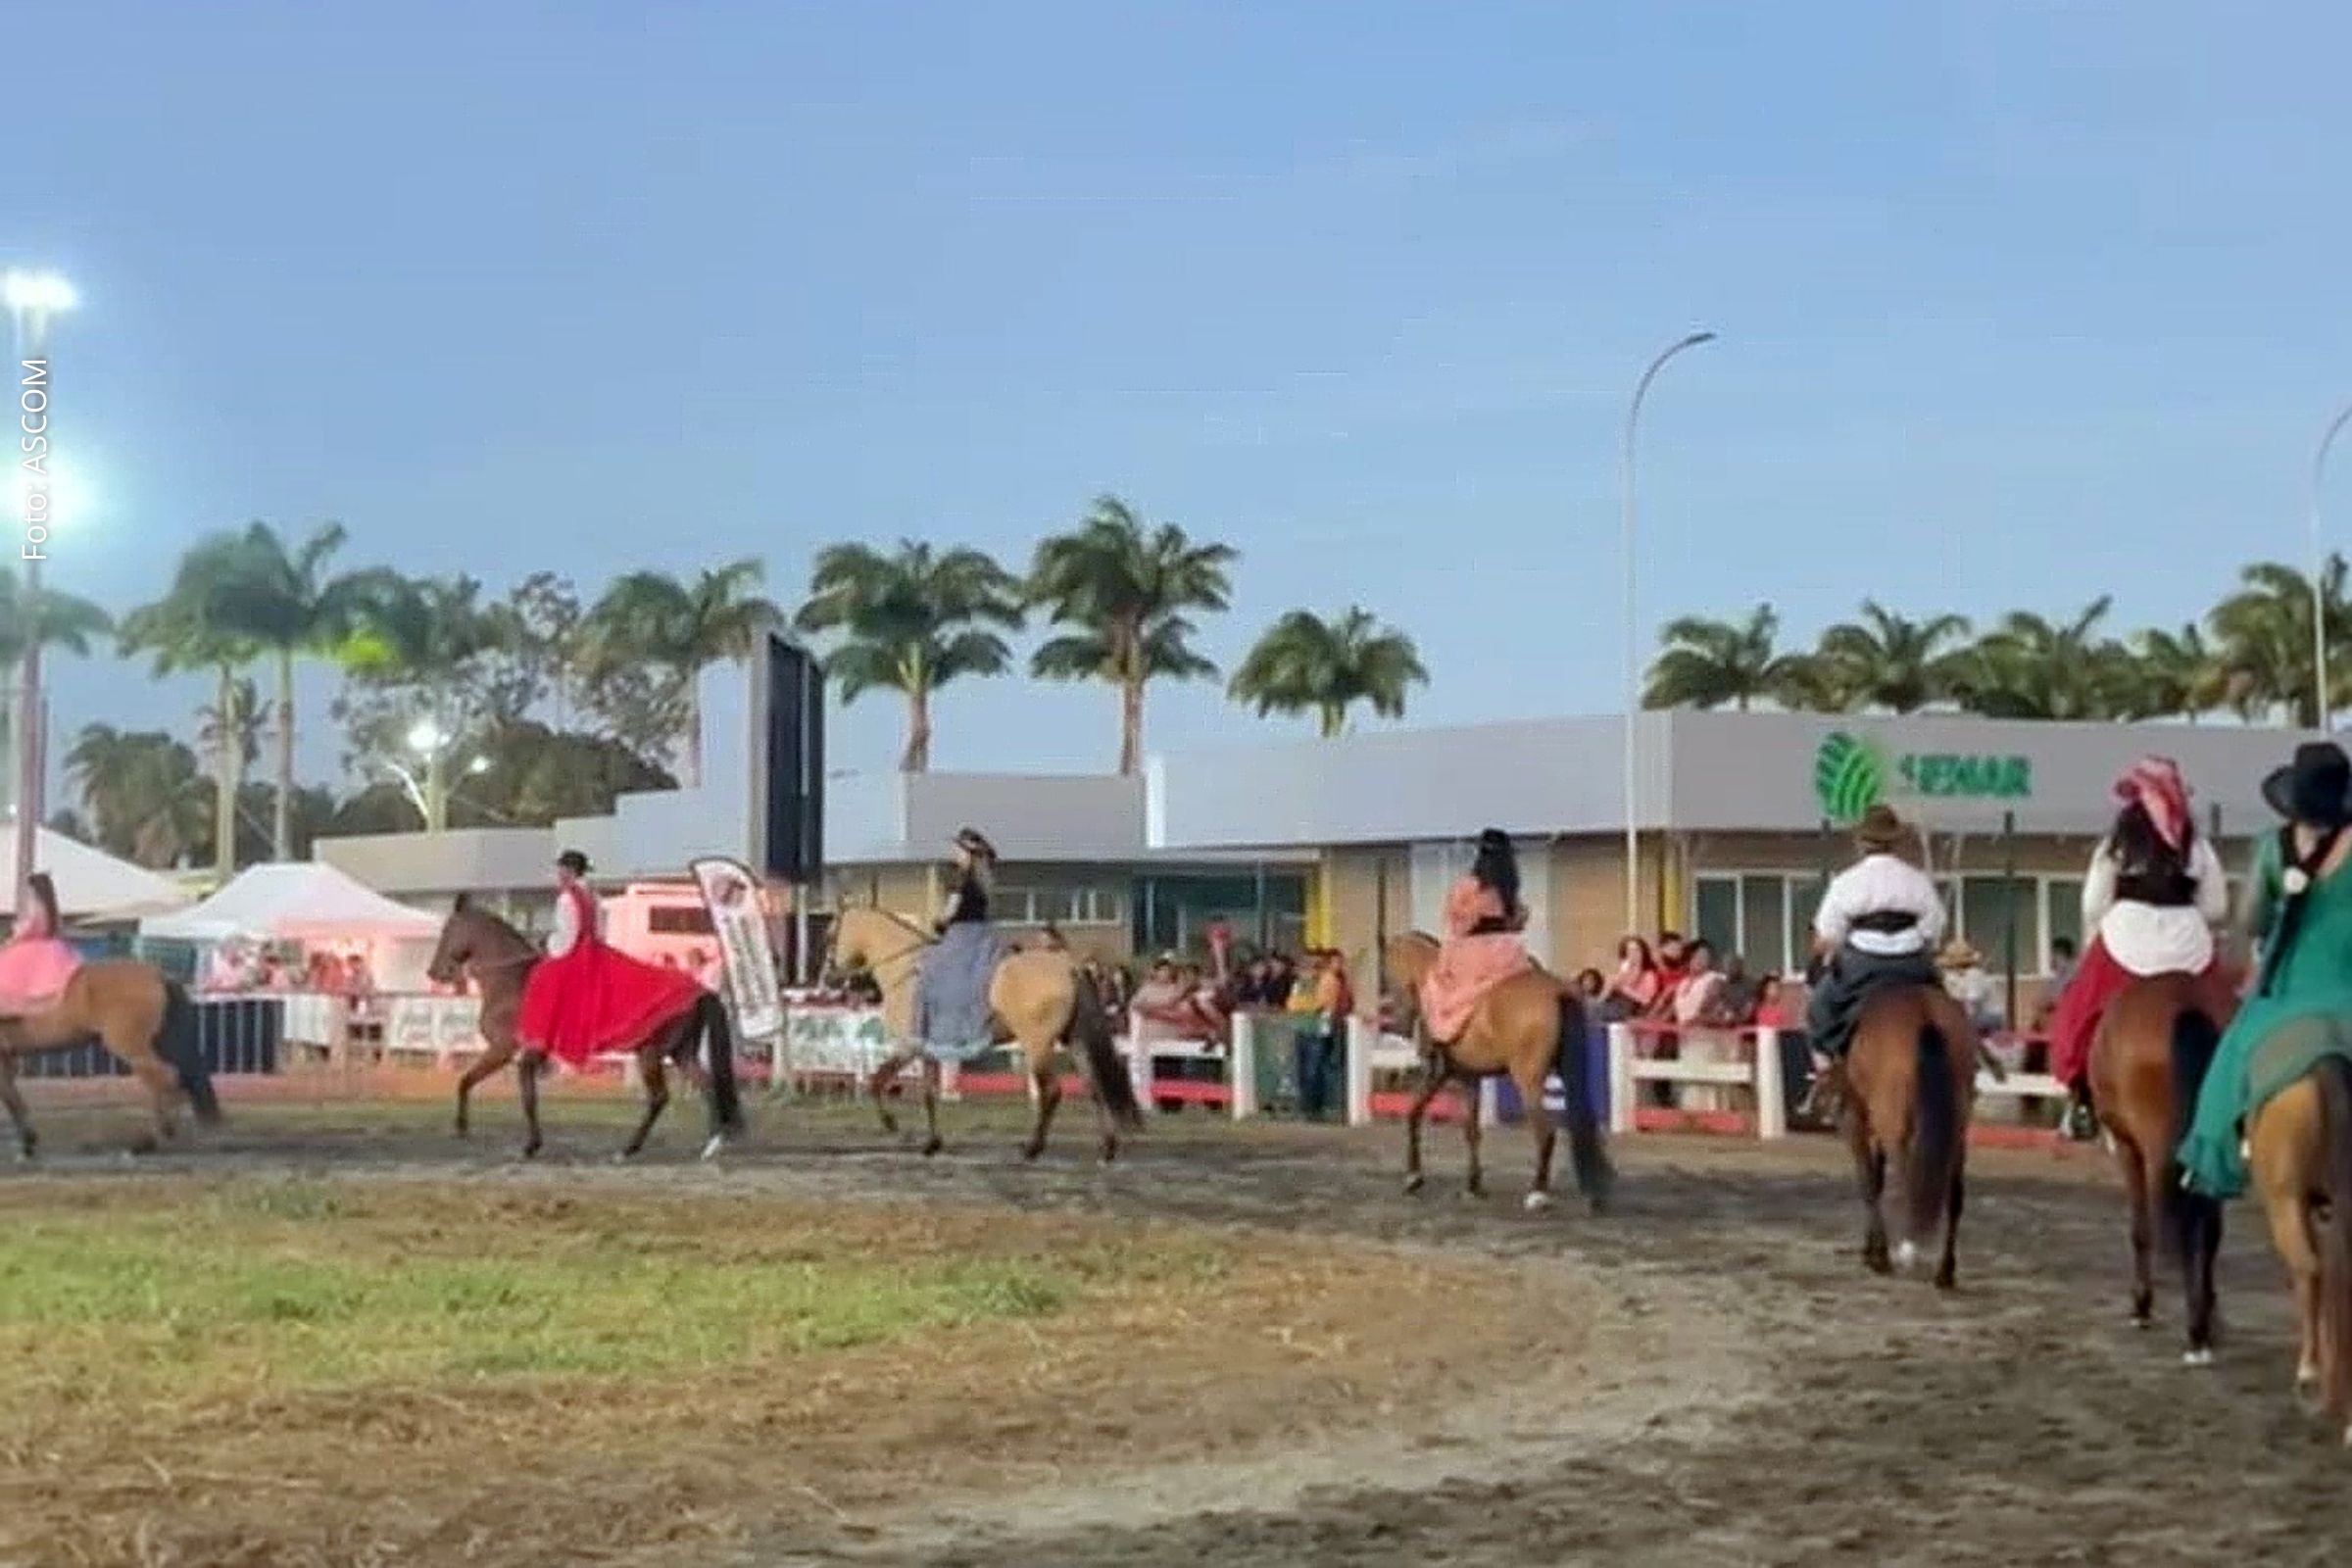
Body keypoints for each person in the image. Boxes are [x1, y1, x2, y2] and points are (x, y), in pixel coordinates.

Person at [2182, 743, 2352, 1198]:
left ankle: (2216, 1154)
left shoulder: (2271, 847)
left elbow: (2248, 924)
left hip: (2289, 990)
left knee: (2230, 1059)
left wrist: (2235, 965)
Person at [2045, 757, 2236, 1137]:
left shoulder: (2115, 845)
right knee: (2231, 1016)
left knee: (2078, 1014)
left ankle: (2080, 1097)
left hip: (2126, 940)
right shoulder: (2196, 846)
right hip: (2189, 946)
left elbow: (2092, 905)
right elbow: (2217, 907)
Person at [1802, 804, 1948, 1109]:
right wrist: (1916, 941)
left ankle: (1826, 1071)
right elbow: (1935, 925)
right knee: (1949, 1005)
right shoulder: (1917, 879)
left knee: (1818, 1009)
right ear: (1896, 841)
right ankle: (1972, 1060)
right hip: (1912, 962)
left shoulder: (1846, 881)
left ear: (1861, 842)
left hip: (1863, 962)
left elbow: (1828, 936)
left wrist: (1823, 952)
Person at [515, 849, 704, 1070]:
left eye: (561, 870)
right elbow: (600, 931)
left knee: (542, 977)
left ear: (568, 871)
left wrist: (548, 944)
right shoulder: (593, 897)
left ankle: (544, 1038)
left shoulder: (567, 899)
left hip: (576, 954)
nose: (558, 874)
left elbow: (568, 938)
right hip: (595, 949)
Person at [1419, 829, 1533, 1045]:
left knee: (1436, 985)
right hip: (1508, 950)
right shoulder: (1509, 887)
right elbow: (1518, 918)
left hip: (1474, 949)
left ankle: (1440, 1045)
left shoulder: (1468, 885)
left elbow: (1454, 918)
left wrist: (1469, 919)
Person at [907, 828, 1006, 1064]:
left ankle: (919, 1034)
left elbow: (950, 912)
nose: (954, 853)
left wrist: (938, 924)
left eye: (958, 849)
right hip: (984, 936)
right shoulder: (984, 880)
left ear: (967, 854)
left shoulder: (961, 879)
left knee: (925, 974)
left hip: (961, 937)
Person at [0, 872, 79, 1015]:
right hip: (52, 948)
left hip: (34, 946)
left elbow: (31, 927)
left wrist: (12, 940)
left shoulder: (37, 907)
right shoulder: (51, 909)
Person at [1603, 936, 1662, 1021]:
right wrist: (1622, 973)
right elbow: (1603, 998)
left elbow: (1646, 1000)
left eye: (1636, 950)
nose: (1633, 954)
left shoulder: (1649, 975)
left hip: (1637, 1017)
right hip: (1615, 1016)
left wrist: (1624, 989)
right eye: (1629, 951)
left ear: (1643, 952)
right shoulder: (1621, 973)